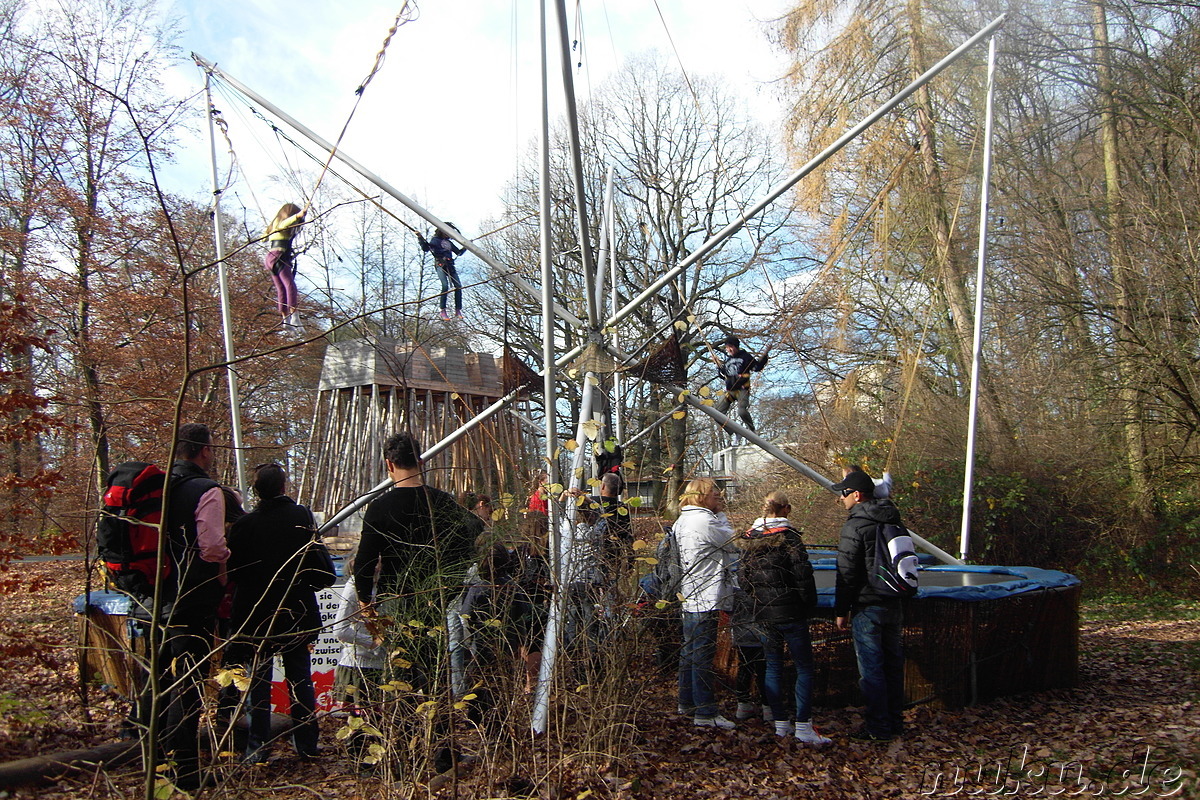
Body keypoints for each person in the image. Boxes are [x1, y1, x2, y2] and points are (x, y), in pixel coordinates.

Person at [353, 433, 484, 686]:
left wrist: (364, 600)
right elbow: (474, 531)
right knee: (434, 671)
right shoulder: (442, 502)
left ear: (389, 465)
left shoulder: (380, 507)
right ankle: (438, 722)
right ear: (421, 461)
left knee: (399, 676)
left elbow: (365, 561)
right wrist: (451, 580)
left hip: (395, 599)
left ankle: (405, 723)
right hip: (434, 598)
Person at [225, 463, 322, 763]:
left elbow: (234, 573)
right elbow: (317, 565)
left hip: (258, 615)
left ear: (256, 491)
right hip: (295, 611)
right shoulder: (300, 517)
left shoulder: (245, 525)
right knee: (299, 678)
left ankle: (257, 747)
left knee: (260, 682)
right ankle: (306, 744)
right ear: (283, 487)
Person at [160, 423, 229, 790]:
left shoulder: (159, 488)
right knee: (187, 686)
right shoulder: (207, 491)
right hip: (192, 600)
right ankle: (185, 771)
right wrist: (221, 577)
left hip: (153, 598)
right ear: (204, 451)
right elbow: (213, 547)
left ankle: (153, 761)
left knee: (158, 678)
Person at [736, 491, 832, 745]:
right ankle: (803, 724)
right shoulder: (790, 539)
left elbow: (742, 578)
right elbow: (803, 576)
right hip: (791, 612)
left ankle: (780, 723)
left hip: (764, 613)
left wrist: (757, 601)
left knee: (774, 665)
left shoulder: (750, 539)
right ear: (786, 509)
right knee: (803, 667)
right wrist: (808, 605)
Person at [831, 467, 907, 742]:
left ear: (858, 495)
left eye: (845, 492)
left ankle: (878, 727)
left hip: (867, 605)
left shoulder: (856, 525)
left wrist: (841, 611)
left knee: (872, 669)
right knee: (892, 665)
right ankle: (895, 722)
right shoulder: (893, 519)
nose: (842, 498)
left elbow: (847, 573)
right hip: (893, 601)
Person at [674, 478, 739, 729]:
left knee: (690, 651)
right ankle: (705, 711)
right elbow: (732, 542)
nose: (719, 496)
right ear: (701, 496)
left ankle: (687, 701)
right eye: (714, 492)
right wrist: (721, 515)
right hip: (706, 595)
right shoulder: (704, 520)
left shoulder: (684, 520)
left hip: (691, 594)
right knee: (702, 653)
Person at [714, 335, 769, 433]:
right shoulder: (728, 360)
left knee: (741, 411)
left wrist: (765, 355)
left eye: (730, 347)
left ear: (736, 346)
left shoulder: (745, 356)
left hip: (742, 389)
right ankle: (733, 432)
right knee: (716, 413)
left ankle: (751, 430)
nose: (729, 349)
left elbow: (756, 367)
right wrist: (719, 366)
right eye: (727, 347)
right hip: (730, 391)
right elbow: (725, 374)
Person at [265, 203, 306, 328]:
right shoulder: (281, 224)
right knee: (289, 284)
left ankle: (285, 318)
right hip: (280, 256)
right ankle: (294, 316)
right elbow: (286, 223)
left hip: (270, 259)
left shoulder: (273, 227)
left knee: (281, 289)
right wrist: (299, 215)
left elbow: (263, 238)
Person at [417, 223, 466, 320]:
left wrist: (466, 246)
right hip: (441, 264)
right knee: (445, 285)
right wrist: (420, 238)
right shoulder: (435, 240)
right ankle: (442, 309)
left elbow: (458, 253)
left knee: (458, 286)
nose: (447, 235)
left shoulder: (449, 243)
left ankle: (458, 309)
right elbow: (426, 248)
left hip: (450, 265)